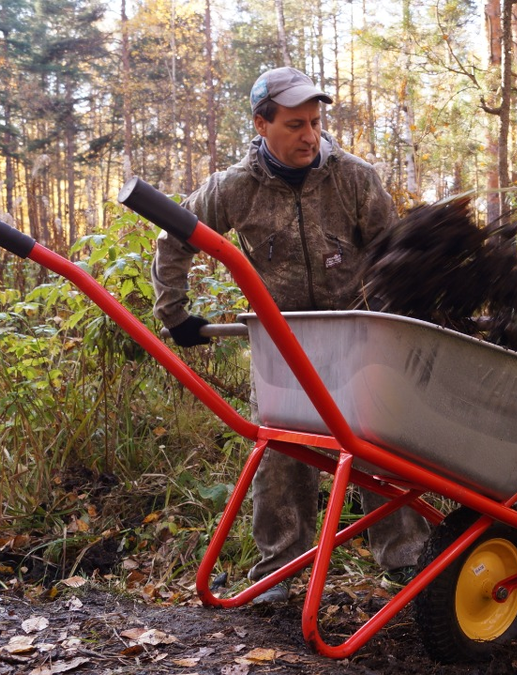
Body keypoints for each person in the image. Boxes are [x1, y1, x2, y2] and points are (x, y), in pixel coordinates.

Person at [151, 66, 430, 604]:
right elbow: (173, 241)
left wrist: (401, 321)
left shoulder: (354, 177)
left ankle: (405, 561)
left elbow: (394, 257)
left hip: (357, 332)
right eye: (296, 124)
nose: (310, 136)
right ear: (261, 124)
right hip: (283, 342)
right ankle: (280, 571)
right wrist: (175, 314)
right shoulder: (233, 188)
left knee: (377, 447)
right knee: (282, 452)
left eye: (316, 123)